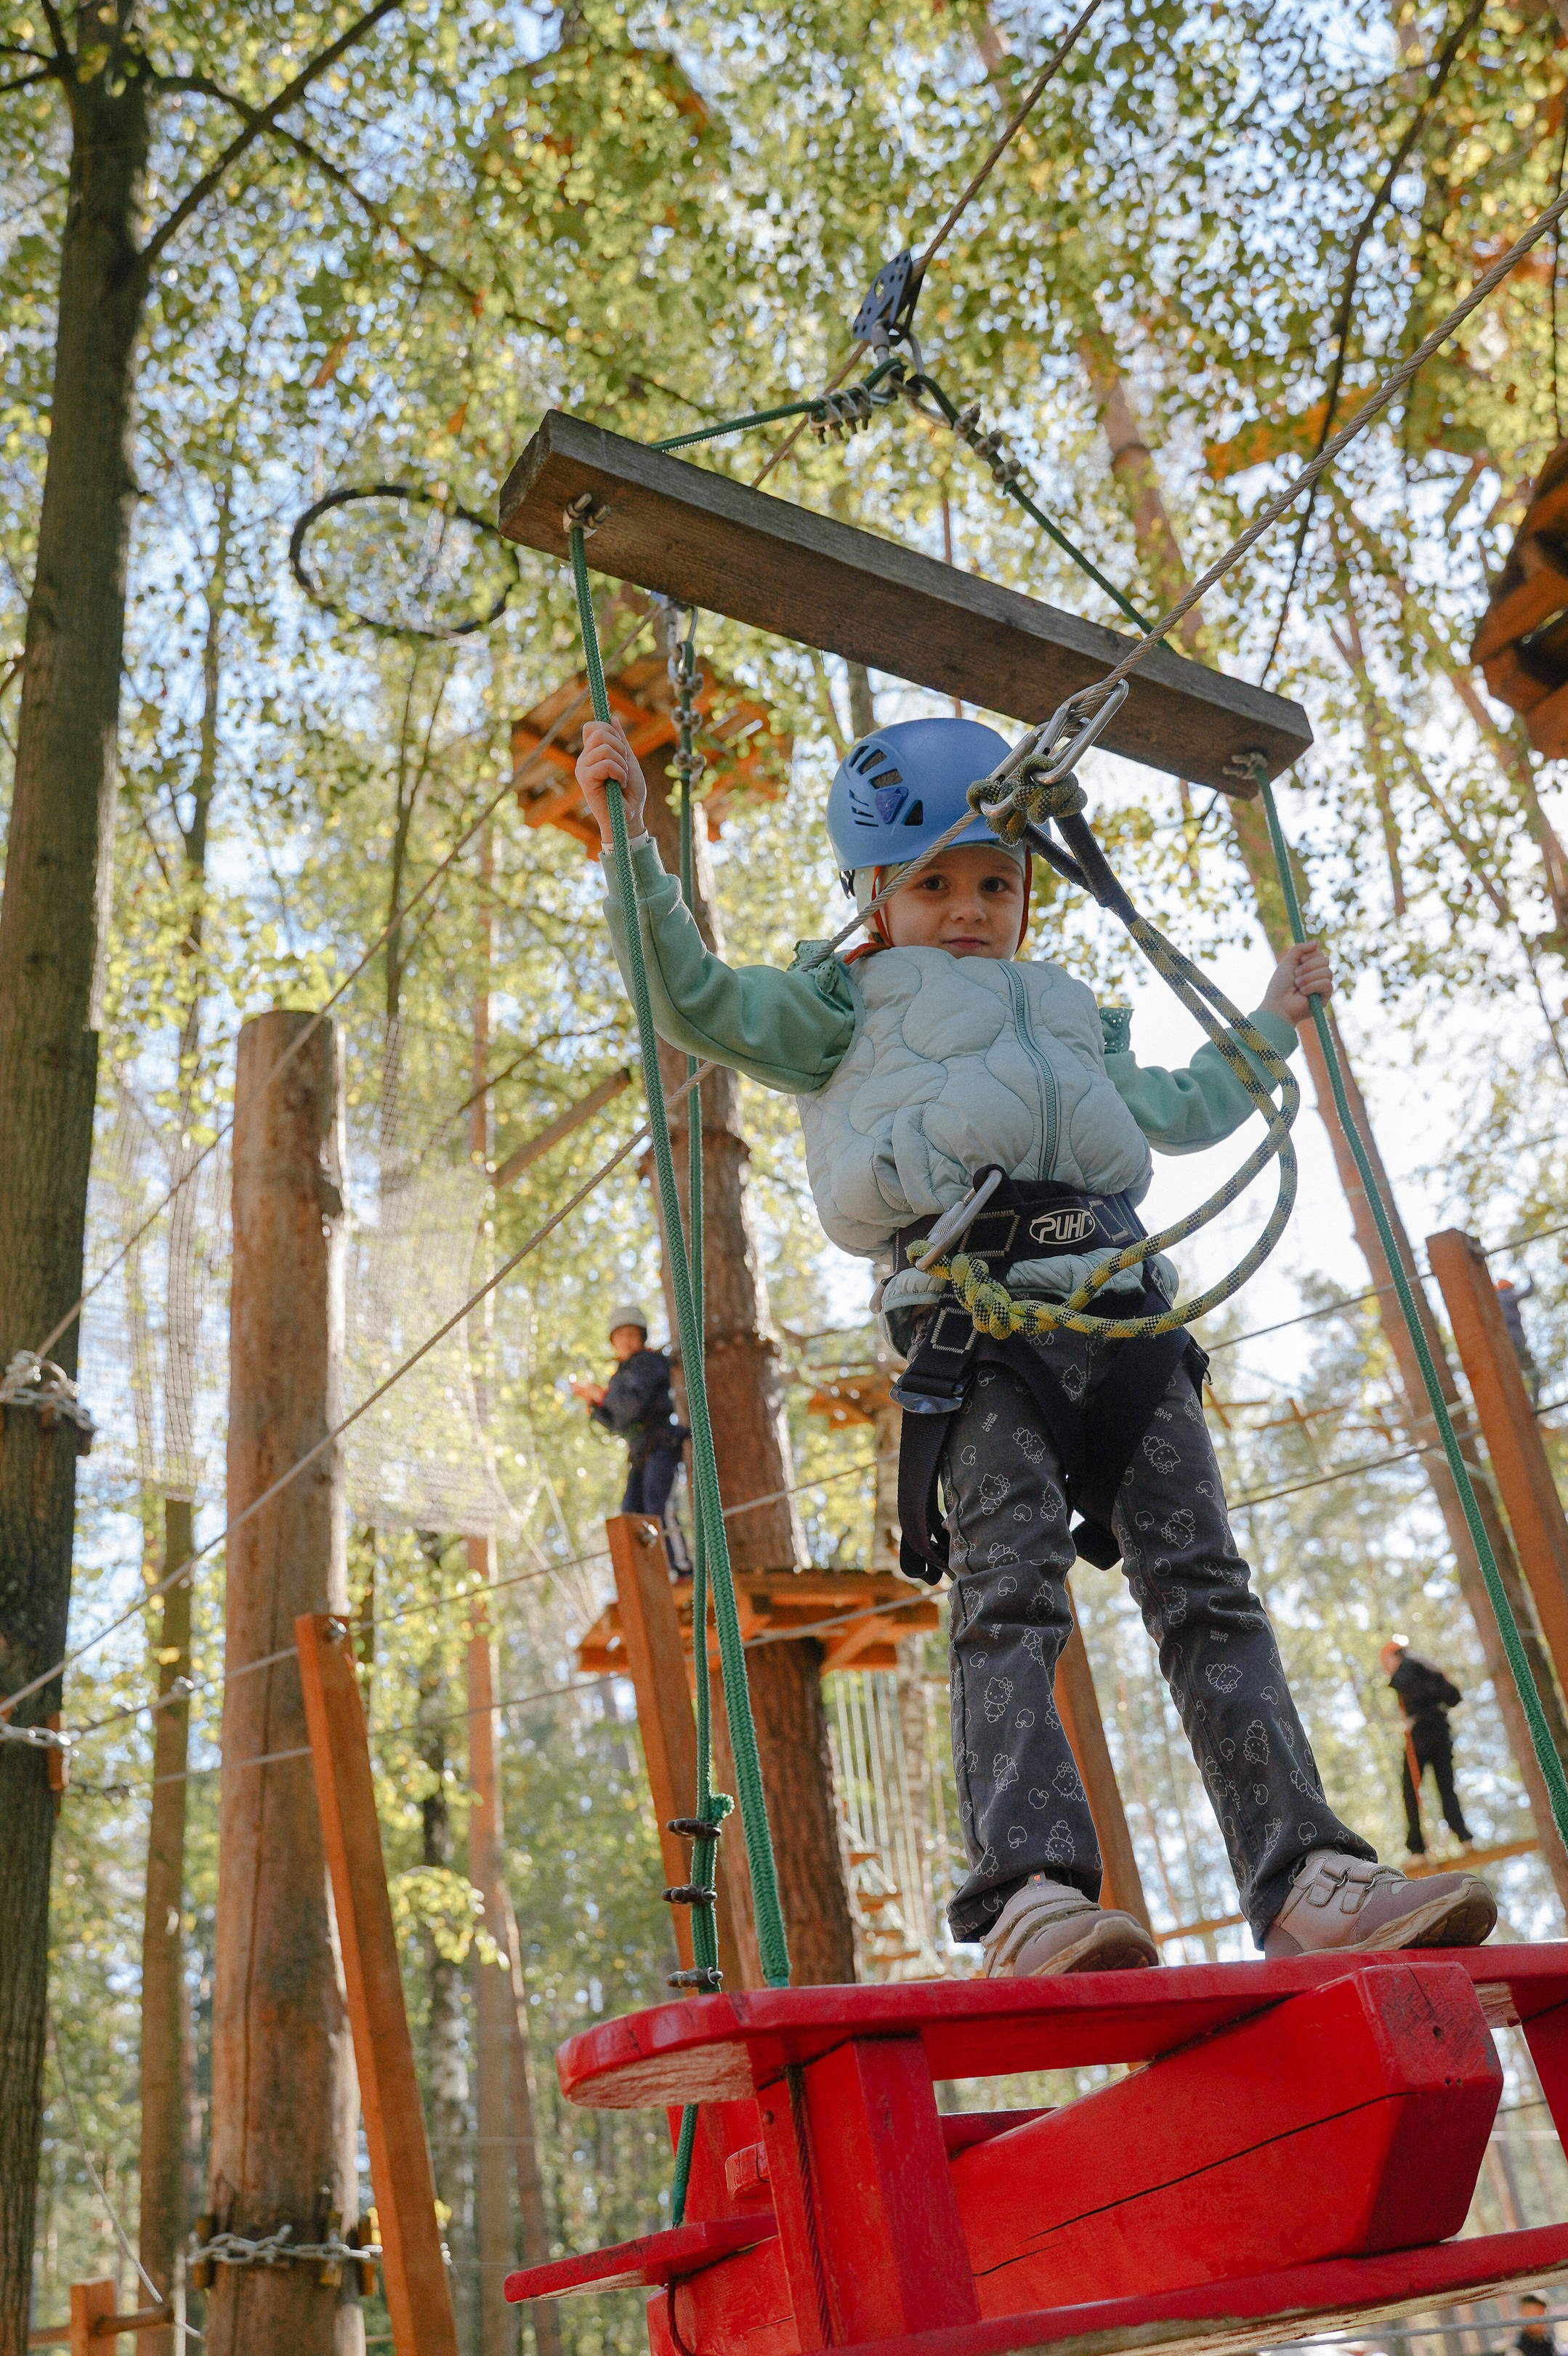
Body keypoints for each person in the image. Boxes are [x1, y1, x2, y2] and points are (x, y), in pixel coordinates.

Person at [576, 709, 1500, 1977]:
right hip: (979, 1325)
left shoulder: (1074, 1015)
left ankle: (1305, 1875)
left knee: (1209, 1588)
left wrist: (1274, 1018)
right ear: (873, 893)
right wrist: (632, 842)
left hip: (1124, 1319)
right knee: (1007, 1588)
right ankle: (1031, 1893)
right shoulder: (838, 1002)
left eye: (996, 884)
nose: (969, 909)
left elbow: (1186, 1107)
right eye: (934, 885)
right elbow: (691, 998)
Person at [573, 1302, 692, 1575]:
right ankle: (649, 1576)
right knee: (631, 1512)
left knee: (658, 1504)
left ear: (641, 1338)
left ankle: (681, 1570)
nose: (626, 1341)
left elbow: (631, 1405)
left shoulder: (648, 1364)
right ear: (613, 1342)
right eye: (620, 1336)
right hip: (640, 1451)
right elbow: (618, 1423)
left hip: (661, 1443)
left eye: (631, 1335)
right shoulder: (620, 1376)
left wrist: (601, 1396)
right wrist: (595, 1406)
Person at [1381, 1635, 1473, 1859]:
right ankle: (1464, 1837)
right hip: (1441, 1730)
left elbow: (1402, 1683)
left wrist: (1416, 1712)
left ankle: (1417, 1849)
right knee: (1445, 1786)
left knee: (1410, 1789)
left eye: (1388, 1663)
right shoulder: (1429, 1669)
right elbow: (1453, 1696)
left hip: (1421, 1733)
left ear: (1394, 1656)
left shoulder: (1406, 1667)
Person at [1494, 1273, 1540, 1405]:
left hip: (1503, 1343)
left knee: (1513, 1375)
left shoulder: (1494, 1300)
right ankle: (1533, 1405)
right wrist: (1531, 1279)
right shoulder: (1507, 1295)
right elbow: (1528, 1292)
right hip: (1515, 1339)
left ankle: (1522, 1404)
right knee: (1534, 1376)